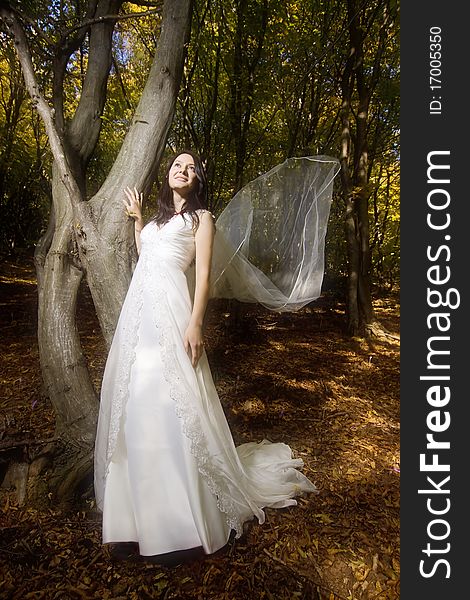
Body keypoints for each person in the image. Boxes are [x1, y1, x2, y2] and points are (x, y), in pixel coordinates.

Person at [93, 150, 318, 561]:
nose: (183, 169)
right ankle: (134, 516)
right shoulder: (159, 222)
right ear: (169, 174)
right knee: (139, 398)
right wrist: (140, 221)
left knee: (179, 400)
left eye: (191, 167)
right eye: (177, 164)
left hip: (174, 311)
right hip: (138, 315)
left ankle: (185, 516)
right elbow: (148, 258)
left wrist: (195, 323)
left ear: (197, 180)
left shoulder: (202, 219)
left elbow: (201, 276)